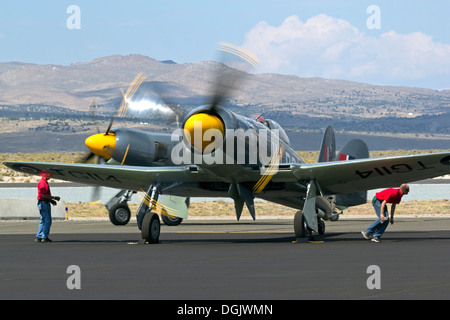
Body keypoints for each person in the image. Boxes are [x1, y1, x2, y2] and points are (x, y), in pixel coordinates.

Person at [36, 171, 60, 243]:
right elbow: (43, 195)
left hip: (43, 202)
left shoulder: (43, 182)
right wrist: (54, 198)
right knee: (47, 220)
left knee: (43, 220)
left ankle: (39, 236)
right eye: (49, 175)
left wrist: (51, 200)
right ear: (45, 175)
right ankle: (44, 236)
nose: (50, 177)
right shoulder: (43, 183)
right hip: (44, 203)